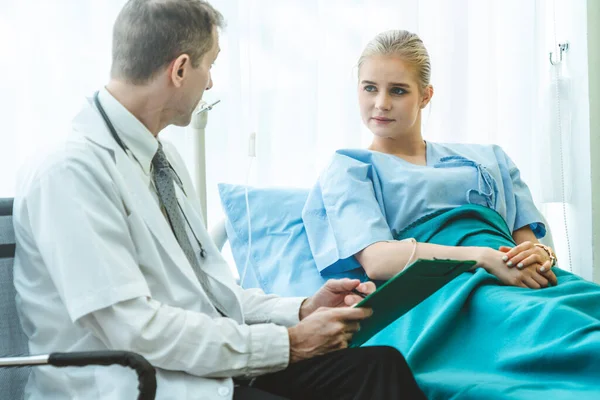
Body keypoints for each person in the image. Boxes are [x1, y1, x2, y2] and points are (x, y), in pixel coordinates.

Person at [12, 3, 426, 399]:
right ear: (180, 69)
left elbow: (210, 292)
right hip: (135, 386)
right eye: (209, 65)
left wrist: (300, 310)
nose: (209, 82)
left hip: (198, 370)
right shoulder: (69, 172)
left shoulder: (161, 159)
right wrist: (288, 344)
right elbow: (131, 329)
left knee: (379, 368)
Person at [302, 30, 600, 399]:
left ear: (425, 95)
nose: (380, 103)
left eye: (398, 90)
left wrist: (539, 255)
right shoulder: (350, 169)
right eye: (369, 88)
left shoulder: (489, 158)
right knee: (556, 334)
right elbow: (378, 261)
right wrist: (482, 258)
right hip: (442, 295)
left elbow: (527, 239)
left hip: (522, 278)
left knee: (581, 313)